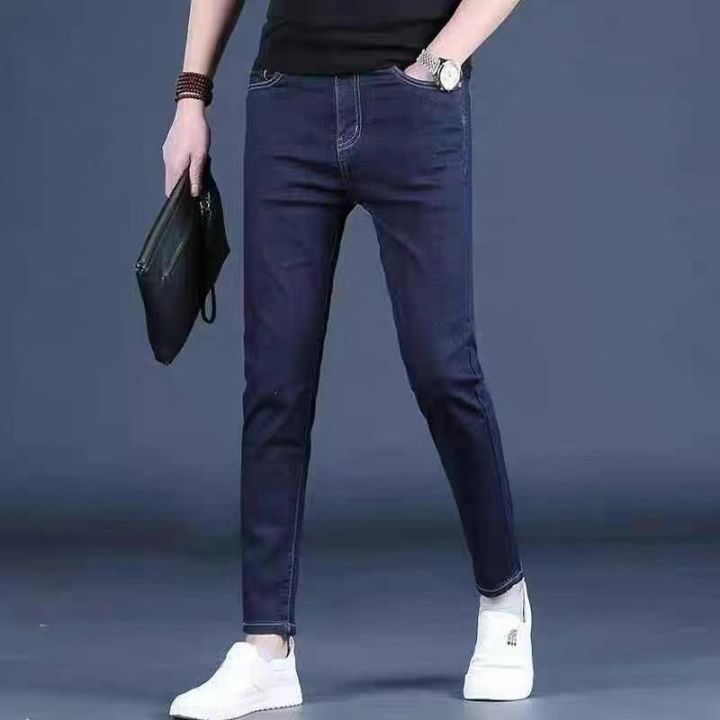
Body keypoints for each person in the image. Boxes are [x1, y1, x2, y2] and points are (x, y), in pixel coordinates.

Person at [162, 0, 532, 717]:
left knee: (444, 369)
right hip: (287, 103)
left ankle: (504, 601)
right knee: (275, 382)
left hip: (410, 102)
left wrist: (441, 62)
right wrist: (190, 96)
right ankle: (266, 648)